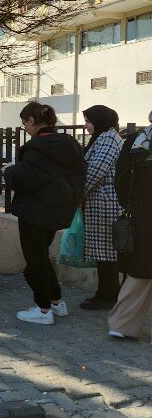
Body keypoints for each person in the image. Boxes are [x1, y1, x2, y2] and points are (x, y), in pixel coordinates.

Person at [4, 102, 84, 324]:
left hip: (35, 212)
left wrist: (9, 171)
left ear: (32, 120)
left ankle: (43, 309)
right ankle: (57, 302)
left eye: (24, 123)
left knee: (35, 260)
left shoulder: (38, 148)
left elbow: (24, 180)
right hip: (58, 210)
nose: (25, 128)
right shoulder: (69, 144)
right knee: (42, 256)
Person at [108, 112, 152, 341]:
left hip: (143, 215)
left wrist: (131, 204)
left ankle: (123, 324)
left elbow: (121, 179)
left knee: (140, 272)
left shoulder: (137, 140)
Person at [80, 105, 123, 310]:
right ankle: (106, 293)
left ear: (99, 120)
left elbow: (96, 170)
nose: (86, 125)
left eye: (89, 121)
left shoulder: (108, 139)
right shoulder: (104, 137)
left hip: (104, 203)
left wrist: (78, 192)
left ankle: (107, 295)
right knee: (104, 254)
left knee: (107, 254)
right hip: (99, 202)